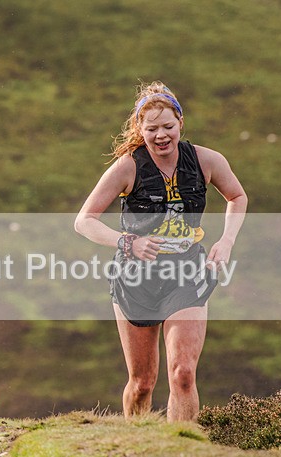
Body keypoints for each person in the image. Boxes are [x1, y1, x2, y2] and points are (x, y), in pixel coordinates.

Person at [74, 82, 247, 422]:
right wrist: (128, 242)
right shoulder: (128, 167)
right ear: (140, 129)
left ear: (180, 122)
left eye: (168, 126)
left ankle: (180, 445)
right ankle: (137, 441)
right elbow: (84, 221)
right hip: (135, 277)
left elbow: (237, 197)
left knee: (183, 373)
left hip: (186, 273)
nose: (161, 135)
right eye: (152, 129)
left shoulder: (206, 160)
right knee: (142, 383)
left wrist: (226, 240)